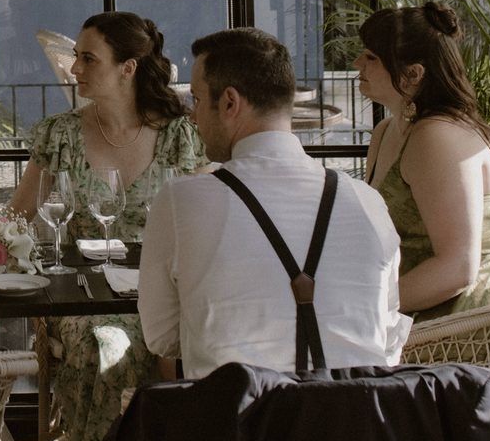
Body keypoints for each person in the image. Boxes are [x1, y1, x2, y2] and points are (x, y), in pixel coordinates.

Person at [139, 28, 410, 379]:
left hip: (239, 426)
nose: (193, 115)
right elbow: (386, 340)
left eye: (197, 100)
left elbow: (162, 337)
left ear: (230, 103)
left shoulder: (181, 201)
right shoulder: (368, 201)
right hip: (357, 426)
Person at [6, 12, 205, 441]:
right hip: (83, 297)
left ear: (128, 68)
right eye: (76, 56)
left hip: (166, 293)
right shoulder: (60, 133)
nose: (74, 68)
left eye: (87, 58)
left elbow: (202, 221)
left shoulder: (180, 133)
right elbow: (19, 216)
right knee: (108, 344)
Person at [357, 2, 490, 319]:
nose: (357, 63)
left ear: (413, 74)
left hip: (467, 321)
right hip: (415, 308)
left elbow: (457, 270)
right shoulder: (386, 132)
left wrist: (362, 306)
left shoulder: (436, 138)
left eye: (371, 58)